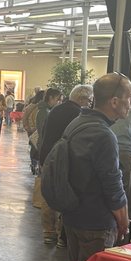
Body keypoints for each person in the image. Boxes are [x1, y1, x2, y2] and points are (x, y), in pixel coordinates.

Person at [55, 73, 131, 261]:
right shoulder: (103, 135)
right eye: (128, 97)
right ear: (114, 101)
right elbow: (112, 182)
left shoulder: (78, 123)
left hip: (73, 216)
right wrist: (123, 215)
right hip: (94, 222)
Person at [37, 85, 93, 248]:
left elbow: (45, 134)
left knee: (49, 196)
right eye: (89, 101)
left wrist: (42, 159)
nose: (90, 104)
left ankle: (48, 232)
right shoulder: (78, 114)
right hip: (65, 161)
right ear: (82, 99)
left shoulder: (56, 109)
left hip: (48, 157)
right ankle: (63, 236)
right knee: (66, 196)